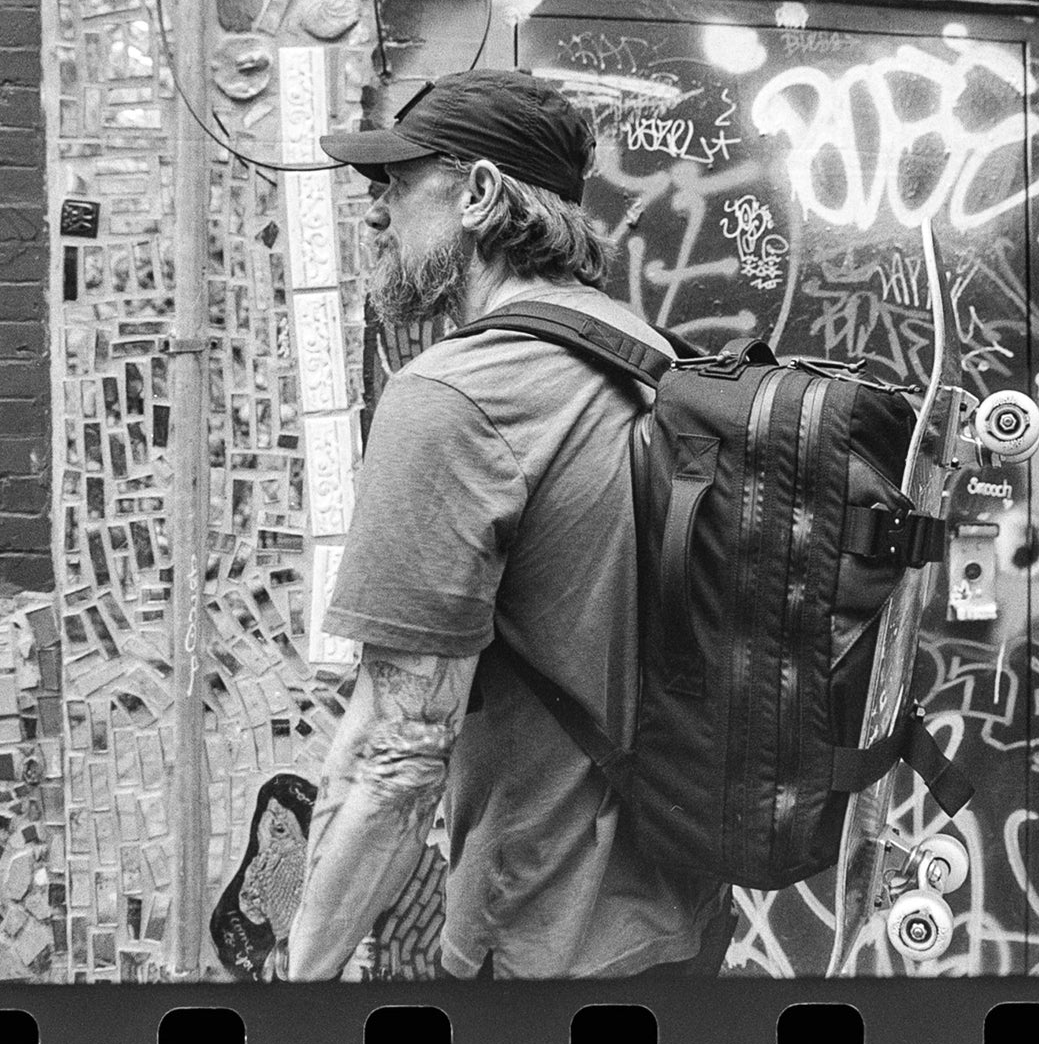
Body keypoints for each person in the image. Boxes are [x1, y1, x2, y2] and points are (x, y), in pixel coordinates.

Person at [285, 69, 733, 981]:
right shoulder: (656, 360)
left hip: (540, 944)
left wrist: (302, 975)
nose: (375, 215)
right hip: (685, 920)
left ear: (481, 194)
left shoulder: (451, 397)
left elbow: (397, 760)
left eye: (397, 184)